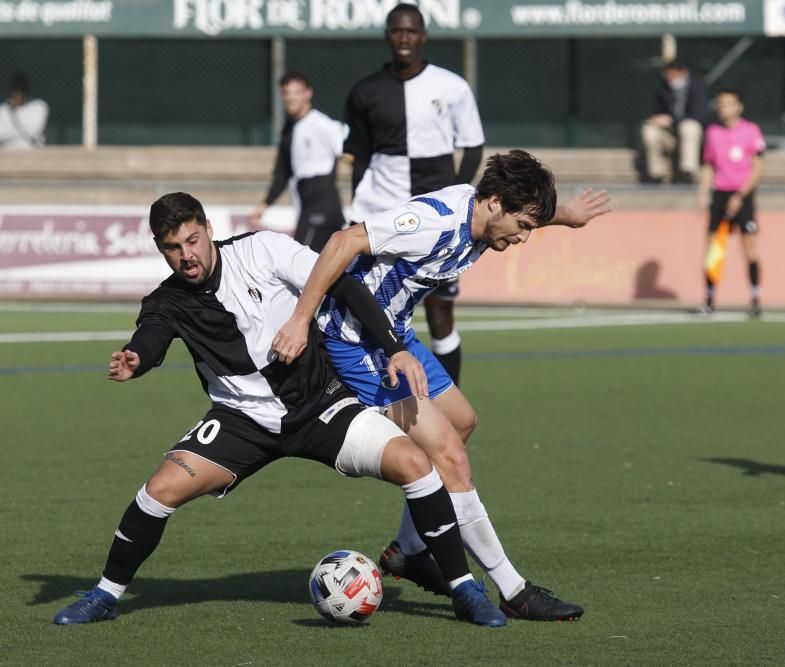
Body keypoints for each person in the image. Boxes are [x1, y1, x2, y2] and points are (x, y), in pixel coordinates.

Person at [51, 192, 508, 627]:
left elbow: (343, 283)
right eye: (173, 248)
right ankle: (106, 595)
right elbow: (150, 337)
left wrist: (394, 348)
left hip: (322, 406)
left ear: (209, 230)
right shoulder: (166, 301)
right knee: (158, 491)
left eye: (192, 240)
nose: (186, 255)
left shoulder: (262, 249)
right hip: (241, 422)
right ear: (160, 249)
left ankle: (465, 589)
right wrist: (137, 357)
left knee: (416, 463)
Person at [272, 150, 610, 621]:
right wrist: (301, 320)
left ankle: (408, 550)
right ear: (493, 203)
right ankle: (511, 589)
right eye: (524, 225)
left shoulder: (488, 220)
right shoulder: (432, 221)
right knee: (450, 453)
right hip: (355, 342)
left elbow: (518, 215)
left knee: (462, 422)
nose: (525, 237)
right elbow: (342, 242)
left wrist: (564, 216)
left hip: (397, 335)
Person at [343, 3, 485, 388]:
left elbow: (472, 148)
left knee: (441, 315)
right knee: (364, 308)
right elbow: (360, 155)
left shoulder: (452, 86)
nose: (403, 38)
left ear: (422, 36)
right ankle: (367, 397)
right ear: (388, 35)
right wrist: (356, 205)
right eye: (396, 31)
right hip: (382, 212)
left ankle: (449, 396)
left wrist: (457, 200)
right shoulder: (365, 91)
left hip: (435, 220)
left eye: (411, 31)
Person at [251, 71, 349, 252]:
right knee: (319, 269)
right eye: (286, 93)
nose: (291, 98)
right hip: (305, 207)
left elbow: (350, 151)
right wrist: (264, 205)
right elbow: (282, 173)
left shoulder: (322, 124)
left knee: (299, 259)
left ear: (307, 93)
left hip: (323, 207)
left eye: (296, 92)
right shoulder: (288, 131)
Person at [696, 87, 766, 316]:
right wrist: (703, 193)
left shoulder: (751, 131)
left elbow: (757, 168)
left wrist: (740, 196)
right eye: (720, 104)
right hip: (720, 194)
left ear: (739, 107)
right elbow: (708, 166)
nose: (723, 108)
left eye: (728, 103)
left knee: (750, 247)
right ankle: (709, 299)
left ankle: (755, 298)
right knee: (713, 248)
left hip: (742, 195)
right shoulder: (713, 132)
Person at [640, 59, 709, 184]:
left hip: (691, 137)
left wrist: (672, 120)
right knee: (649, 130)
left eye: (674, 75)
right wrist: (656, 119)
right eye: (668, 75)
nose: (671, 79)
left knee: (689, 126)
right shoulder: (662, 88)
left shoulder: (698, 87)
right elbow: (654, 112)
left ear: (684, 73)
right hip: (669, 136)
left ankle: (687, 172)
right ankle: (657, 174)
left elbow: (699, 115)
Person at [0, 72, 48, 149]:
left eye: (20, 92)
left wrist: (9, 128)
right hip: (8, 153)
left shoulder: (39, 107)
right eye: (15, 92)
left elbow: (33, 131)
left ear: (25, 93)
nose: (17, 96)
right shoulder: (3, 109)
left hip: (33, 152)